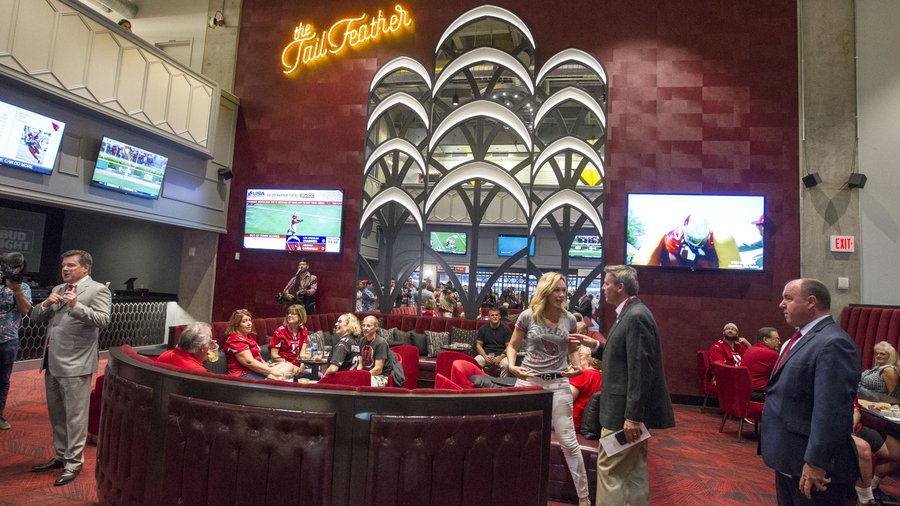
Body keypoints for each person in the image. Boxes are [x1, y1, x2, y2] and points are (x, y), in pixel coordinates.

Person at [571, 264, 675, 506]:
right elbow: (626, 357)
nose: (603, 288)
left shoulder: (636, 316)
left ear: (620, 286)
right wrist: (596, 345)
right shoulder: (632, 313)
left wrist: (633, 416)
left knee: (609, 469)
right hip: (628, 413)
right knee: (634, 471)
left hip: (623, 415)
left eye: (606, 283)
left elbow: (640, 371)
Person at [760, 278, 860, 504]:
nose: (781, 304)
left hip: (811, 465)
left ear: (811, 302)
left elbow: (831, 411)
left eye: (788, 298)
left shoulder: (833, 343)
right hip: (789, 457)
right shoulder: (799, 339)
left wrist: (816, 462)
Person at [506, 272, 590, 506]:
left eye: (564, 290)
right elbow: (512, 346)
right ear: (545, 291)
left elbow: (572, 349)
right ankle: (514, 492)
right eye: (557, 290)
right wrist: (512, 366)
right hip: (529, 380)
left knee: (568, 442)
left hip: (559, 383)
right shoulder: (528, 316)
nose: (562, 294)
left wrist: (576, 366)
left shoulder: (569, 319)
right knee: (520, 439)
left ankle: (584, 499)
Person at [29, 250, 111, 486]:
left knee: (75, 418)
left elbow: (103, 320)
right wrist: (45, 303)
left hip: (77, 363)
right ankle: (60, 456)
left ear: (85, 268)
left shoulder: (97, 290)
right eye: (64, 265)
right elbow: (35, 317)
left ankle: (74, 463)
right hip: (51, 361)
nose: (65, 269)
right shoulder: (57, 289)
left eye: (71, 266)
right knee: (57, 415)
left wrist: (76, 306)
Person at [630, 214, 740, 269]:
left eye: (700, 240)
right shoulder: (673, 238)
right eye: (693, 239)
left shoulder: (714, 241)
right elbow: (672, 263)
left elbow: (713, 266)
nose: (696, 243)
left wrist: (695, 258)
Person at [0, 252, 32, 430]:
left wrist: (17, 290)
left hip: (8, 339)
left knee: (2, 379)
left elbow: (25, 310)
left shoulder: (23, 287)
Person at [223, 309, 301, 380]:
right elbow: (249, 362)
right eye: (244, 321)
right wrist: (271, 371)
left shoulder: (248, 337)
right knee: (280, 378)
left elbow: (257, 356)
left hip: (255, 370)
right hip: (243, 374)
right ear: (236, 325)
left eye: (249, 320)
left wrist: (266, 365)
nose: (249, 324)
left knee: (288, 366)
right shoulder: (235, 339)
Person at [741, 327, 781, 401]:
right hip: (760, 395)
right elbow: (781, 374)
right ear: (765, 340)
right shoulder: (772, 354)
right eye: (776, 339)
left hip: (744, 392)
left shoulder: (750, 349)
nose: (779, 342)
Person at [569, 345, 602, 433]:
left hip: (573, 424)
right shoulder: (603, 376)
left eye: (579, 355)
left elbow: (566, 400)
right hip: (593, 426)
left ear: (587, 358)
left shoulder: (582, 375)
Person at [474, 307, 512, 377]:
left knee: (507, 364)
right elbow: (478, 345)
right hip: (486, 355)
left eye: (496, 315)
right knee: (476, 361)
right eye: (492, 315)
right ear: (489, 317)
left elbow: (509, 347)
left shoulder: (506, 330)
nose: (495, 317)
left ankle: (502, 385)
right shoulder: (483, 329)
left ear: (500, 316)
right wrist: (485, 356)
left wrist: (500, 358)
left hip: (501, 356)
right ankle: (483, 382)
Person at [358, 316, 392, 386]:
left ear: (376, 327)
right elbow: (360, 364)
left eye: (368, 326)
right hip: (366, 374)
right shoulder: (362, 340)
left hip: (380, 376)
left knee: (362, 383)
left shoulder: (381, 343)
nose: (365, 328)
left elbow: (378, 369)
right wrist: (357, 374)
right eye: (363, 325)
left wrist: (362, 377)